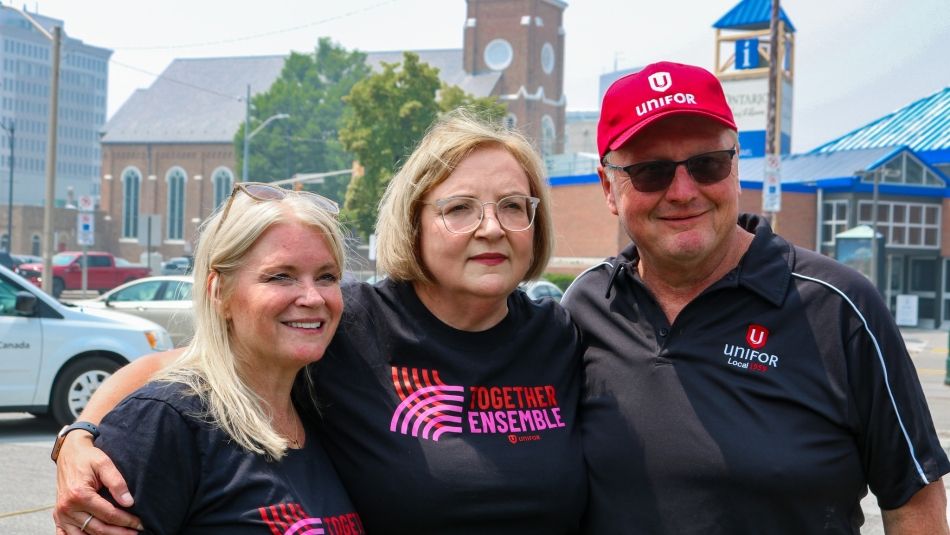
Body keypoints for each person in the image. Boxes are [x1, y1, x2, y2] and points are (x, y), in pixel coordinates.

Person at [54, 111, 587, 534]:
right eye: (461, 209)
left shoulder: (558, 335)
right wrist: (78, 439)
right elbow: (175, 373)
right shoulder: (347, 321)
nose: (492, 228)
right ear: (414, 223)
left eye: (514, 206)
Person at [562, 60, 950, 534]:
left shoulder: (840, 307)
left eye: (707, 164)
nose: (683, 192)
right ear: (608, 188)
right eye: (651, 172)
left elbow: (913, 499)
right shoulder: (586, 307)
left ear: (735, 169)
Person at [53, 182, 361, 534]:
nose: (313, 296)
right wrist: (76, 435)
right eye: (280, 276)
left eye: (327, 276)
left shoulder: (321, 405)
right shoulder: (165, 423)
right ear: (219, 291)